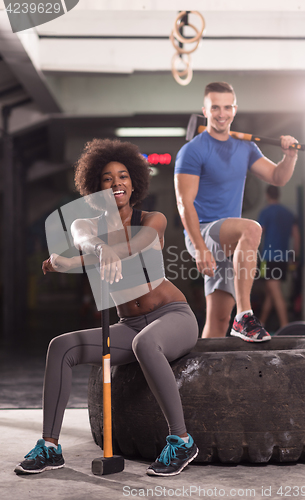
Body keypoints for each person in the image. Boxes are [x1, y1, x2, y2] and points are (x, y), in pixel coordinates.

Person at [15, 139, 199, 477]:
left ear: (135, 182)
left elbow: (136, 245)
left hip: (172, 316)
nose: (117, 183)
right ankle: (51, 447)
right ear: (95, 187)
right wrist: (89, 253)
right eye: (107, 178)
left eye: (124, 176)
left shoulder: (153, 219)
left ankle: (182, 441)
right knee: (61, 347)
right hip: (129, 325)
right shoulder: (87, 225)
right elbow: (81, 239)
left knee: (147, 343)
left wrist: (80, 259)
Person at [174, 81, 299, 341]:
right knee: (251, 228)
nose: (222, 113)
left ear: (235, 109)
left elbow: (277, 177)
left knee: (218, 324)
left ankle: (200, 378)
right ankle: (244, 316)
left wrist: (289, 157)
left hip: (231, 244)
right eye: (215, 107)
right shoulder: (192, 151)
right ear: (205, 110)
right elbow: (184, 202)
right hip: (204, 232)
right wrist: (199, 247)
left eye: (227, 107)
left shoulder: (246, 147)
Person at [258, 185, 300, 329]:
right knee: (270, 293)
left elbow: (257, 234)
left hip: (268, 258)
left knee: (275, 292)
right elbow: (296, 236)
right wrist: (294, 256)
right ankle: (260, 324)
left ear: (267, 195)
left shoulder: (265, 212)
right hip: (283, 258)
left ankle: (285, 326)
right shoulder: (289, 213)